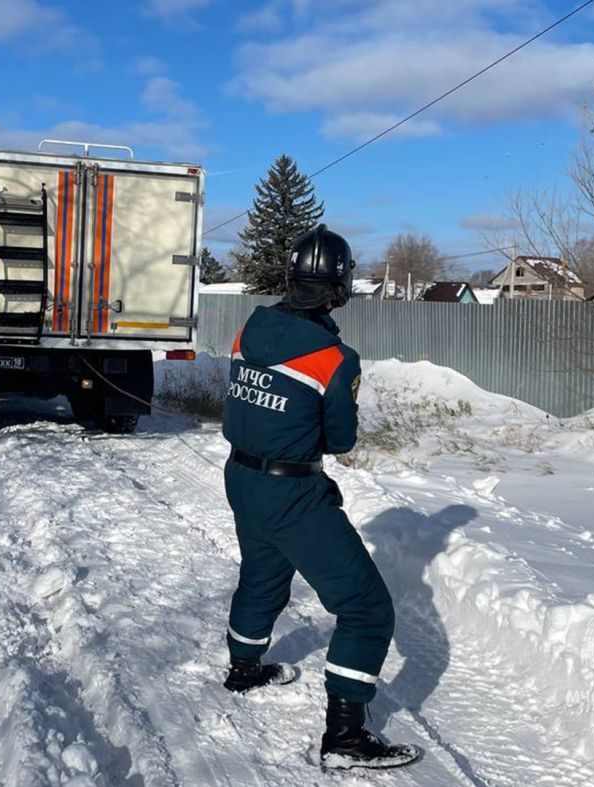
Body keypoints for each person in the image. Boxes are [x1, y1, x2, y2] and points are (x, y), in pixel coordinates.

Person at [219, 224, 419, 770]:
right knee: (366, 607)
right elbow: (344, 440)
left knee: (262, 571)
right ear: (340, 285)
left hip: (241, 477)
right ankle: (346, 737)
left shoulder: (248, 329)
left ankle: (244, 668)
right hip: (292, 491)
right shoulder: (336, 358)